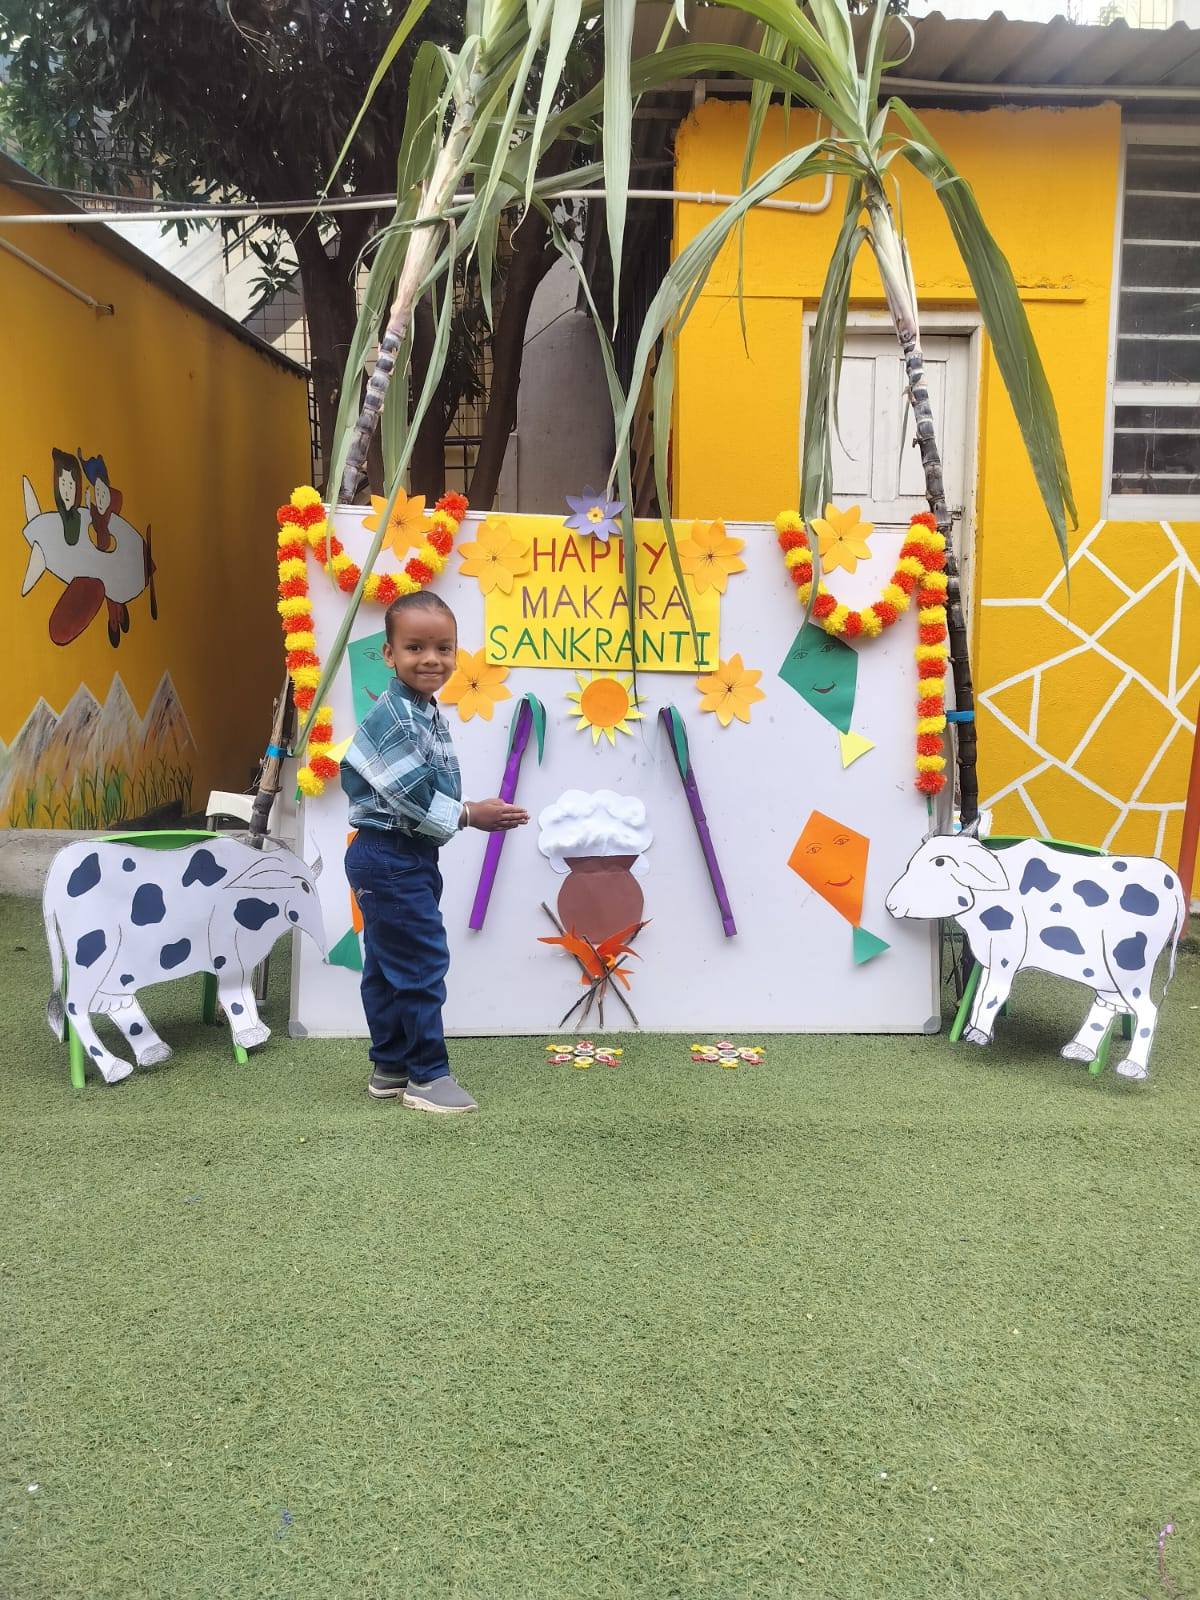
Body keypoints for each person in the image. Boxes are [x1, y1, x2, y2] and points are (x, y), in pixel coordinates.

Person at [341, 591, 528, 1113]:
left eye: (444, 648)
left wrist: (466, 813)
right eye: (415, 647)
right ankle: (427, 1076)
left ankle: (391, 1066)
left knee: (386, 962)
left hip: (401, 857)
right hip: (389, 855)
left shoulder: (421, 709)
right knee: (420, 962)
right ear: (389, 654)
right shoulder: (397, 717)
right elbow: (413, 795)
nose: (431, 659)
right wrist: (471, 813)